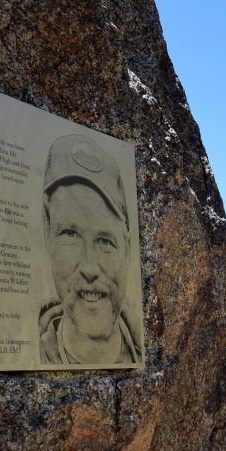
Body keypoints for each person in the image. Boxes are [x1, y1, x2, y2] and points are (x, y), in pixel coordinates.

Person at [38, 133, 142, 365]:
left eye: (105, 241)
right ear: (47, 232)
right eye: (70, 234)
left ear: (127, 248)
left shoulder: (141, 347)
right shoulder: (29, 349)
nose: (89, 267)